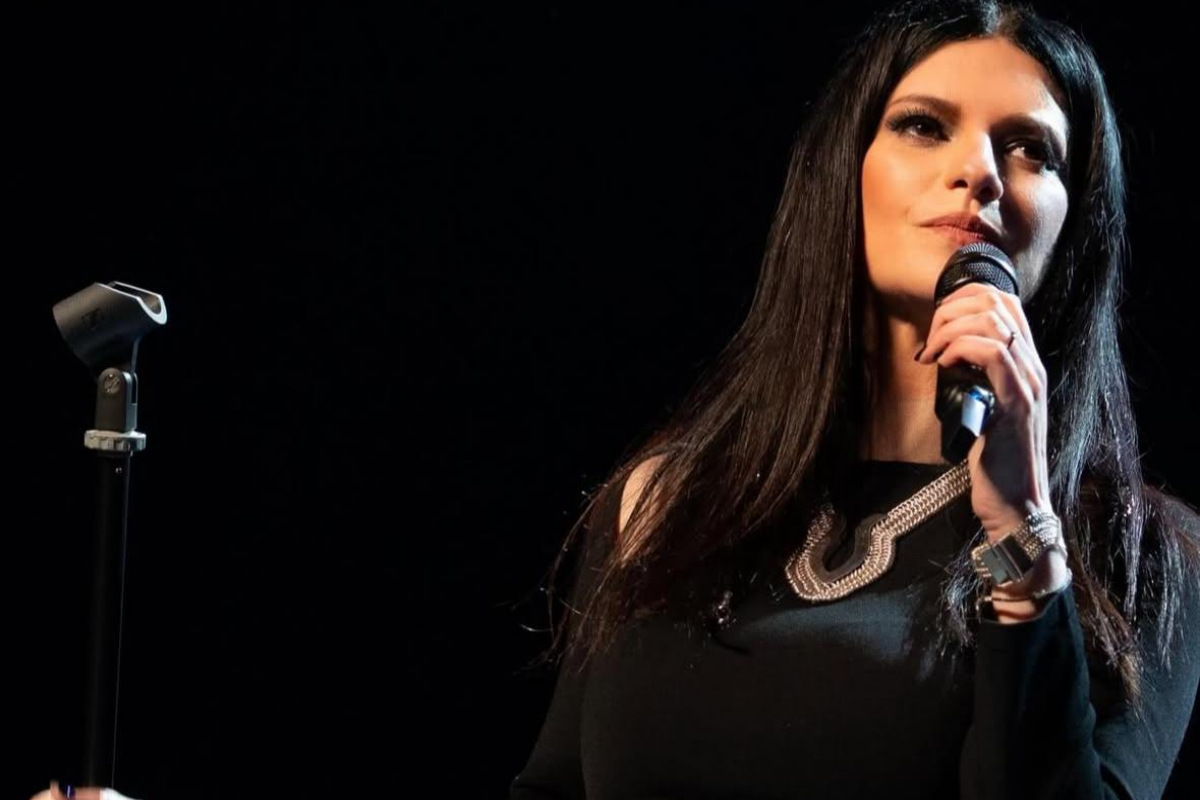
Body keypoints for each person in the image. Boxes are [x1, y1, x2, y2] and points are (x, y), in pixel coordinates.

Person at [508, 1, 1200, 798]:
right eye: (923, 126)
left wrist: (1023, 538)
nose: (979, 171)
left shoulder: (1140, 558)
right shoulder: (662, 501)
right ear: (844, 171)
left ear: (1073, 226)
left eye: (1030, 149)